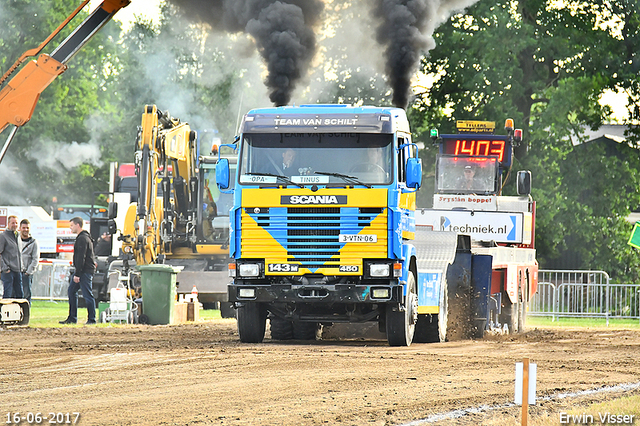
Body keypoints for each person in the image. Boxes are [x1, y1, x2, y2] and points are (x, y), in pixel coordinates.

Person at [60, 217, 96, 325]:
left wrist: (77, 274)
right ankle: (72, 318)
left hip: (84, 271)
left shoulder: (82, 239)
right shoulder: (85, 237)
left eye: (72, 225)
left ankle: (91, 319)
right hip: (84, 271)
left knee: (87, 295)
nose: (70, 228)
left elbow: (81, 257)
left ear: (78, 225)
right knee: (72, 291)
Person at [0, 215, 23, 299]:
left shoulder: (18, 236)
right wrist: (5, 268)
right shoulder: (3, 236)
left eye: (16, 223)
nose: (14, 225)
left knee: (19, 294)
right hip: (8, 272)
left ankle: (19, 312)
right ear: (8, 223)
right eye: (12, 223)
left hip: (18, 270)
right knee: (8, 295)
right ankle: (4, 311)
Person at [19, 219, 39, 303]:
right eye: (23, 228)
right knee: (15, 295)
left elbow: (35, 259)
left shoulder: (34, 242)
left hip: (26, 273)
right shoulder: (16, 241)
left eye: (27, 228)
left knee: (26, 295)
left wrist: (28, 272)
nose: (25, 230)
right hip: (16, 272)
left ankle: (26, 314)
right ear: (20, 228)